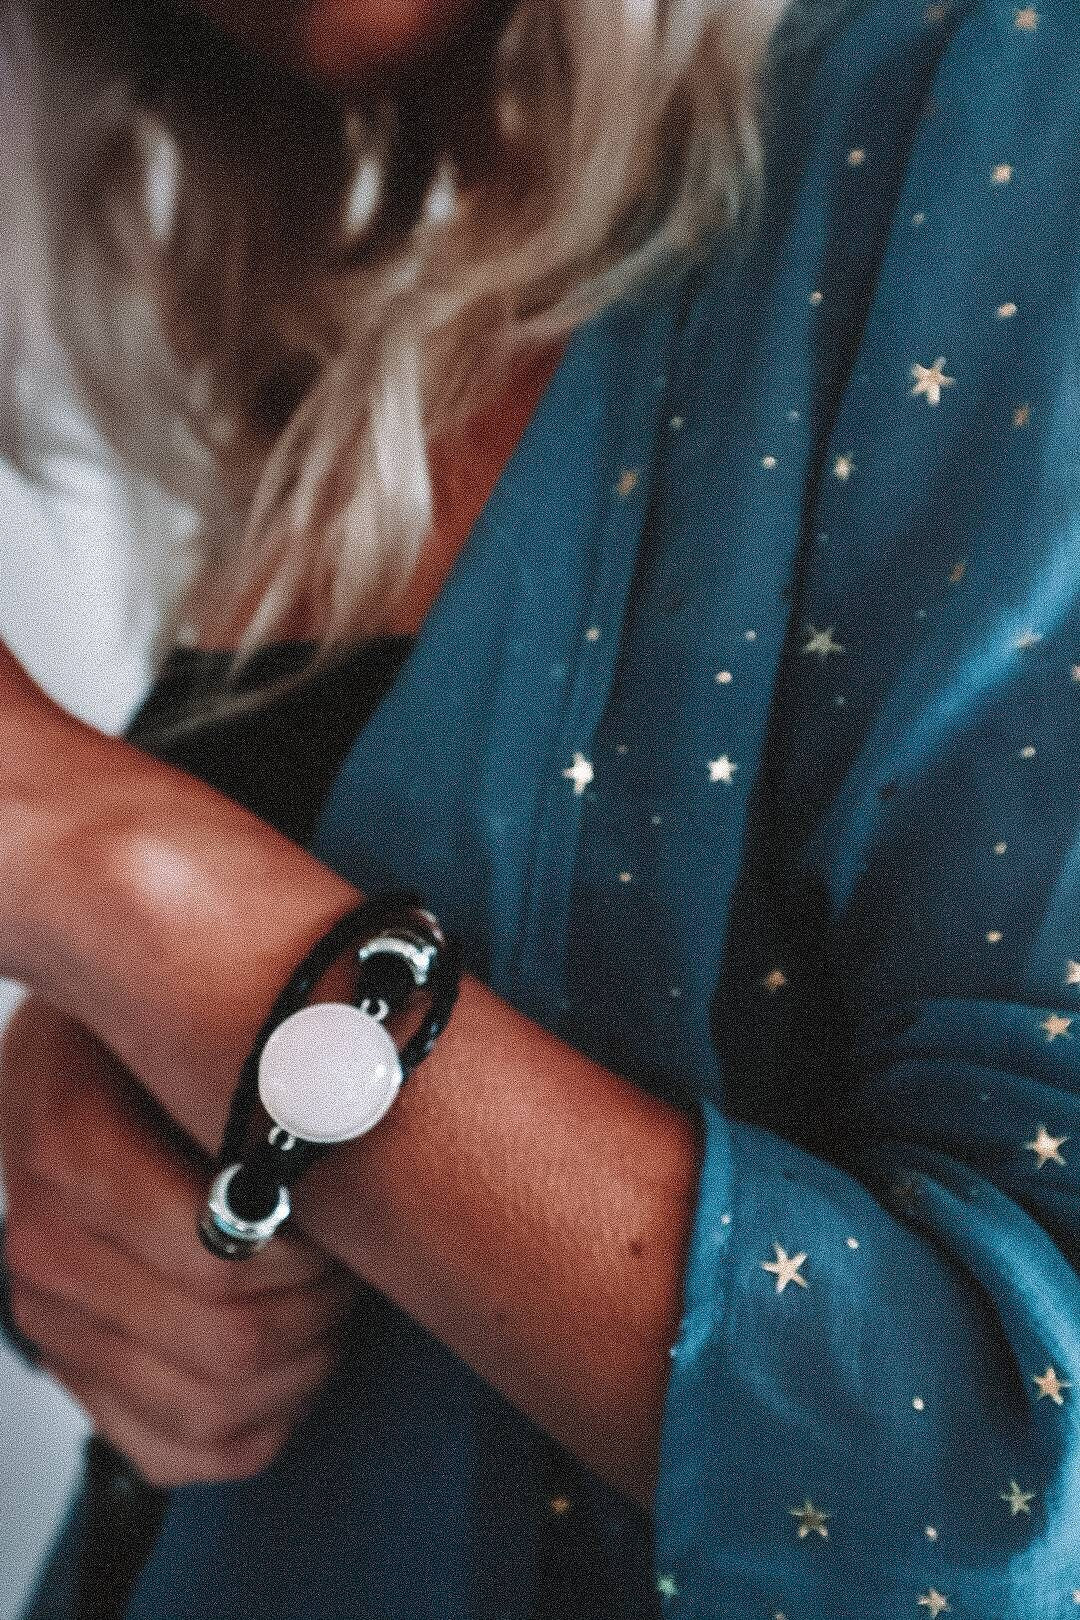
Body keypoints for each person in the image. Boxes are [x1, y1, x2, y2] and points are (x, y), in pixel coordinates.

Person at [0, 0, 1078, 1616]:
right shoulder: (421, 293)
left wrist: (104, 862)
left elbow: (1016, 1490)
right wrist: (74, 1121)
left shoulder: (1004, 85)